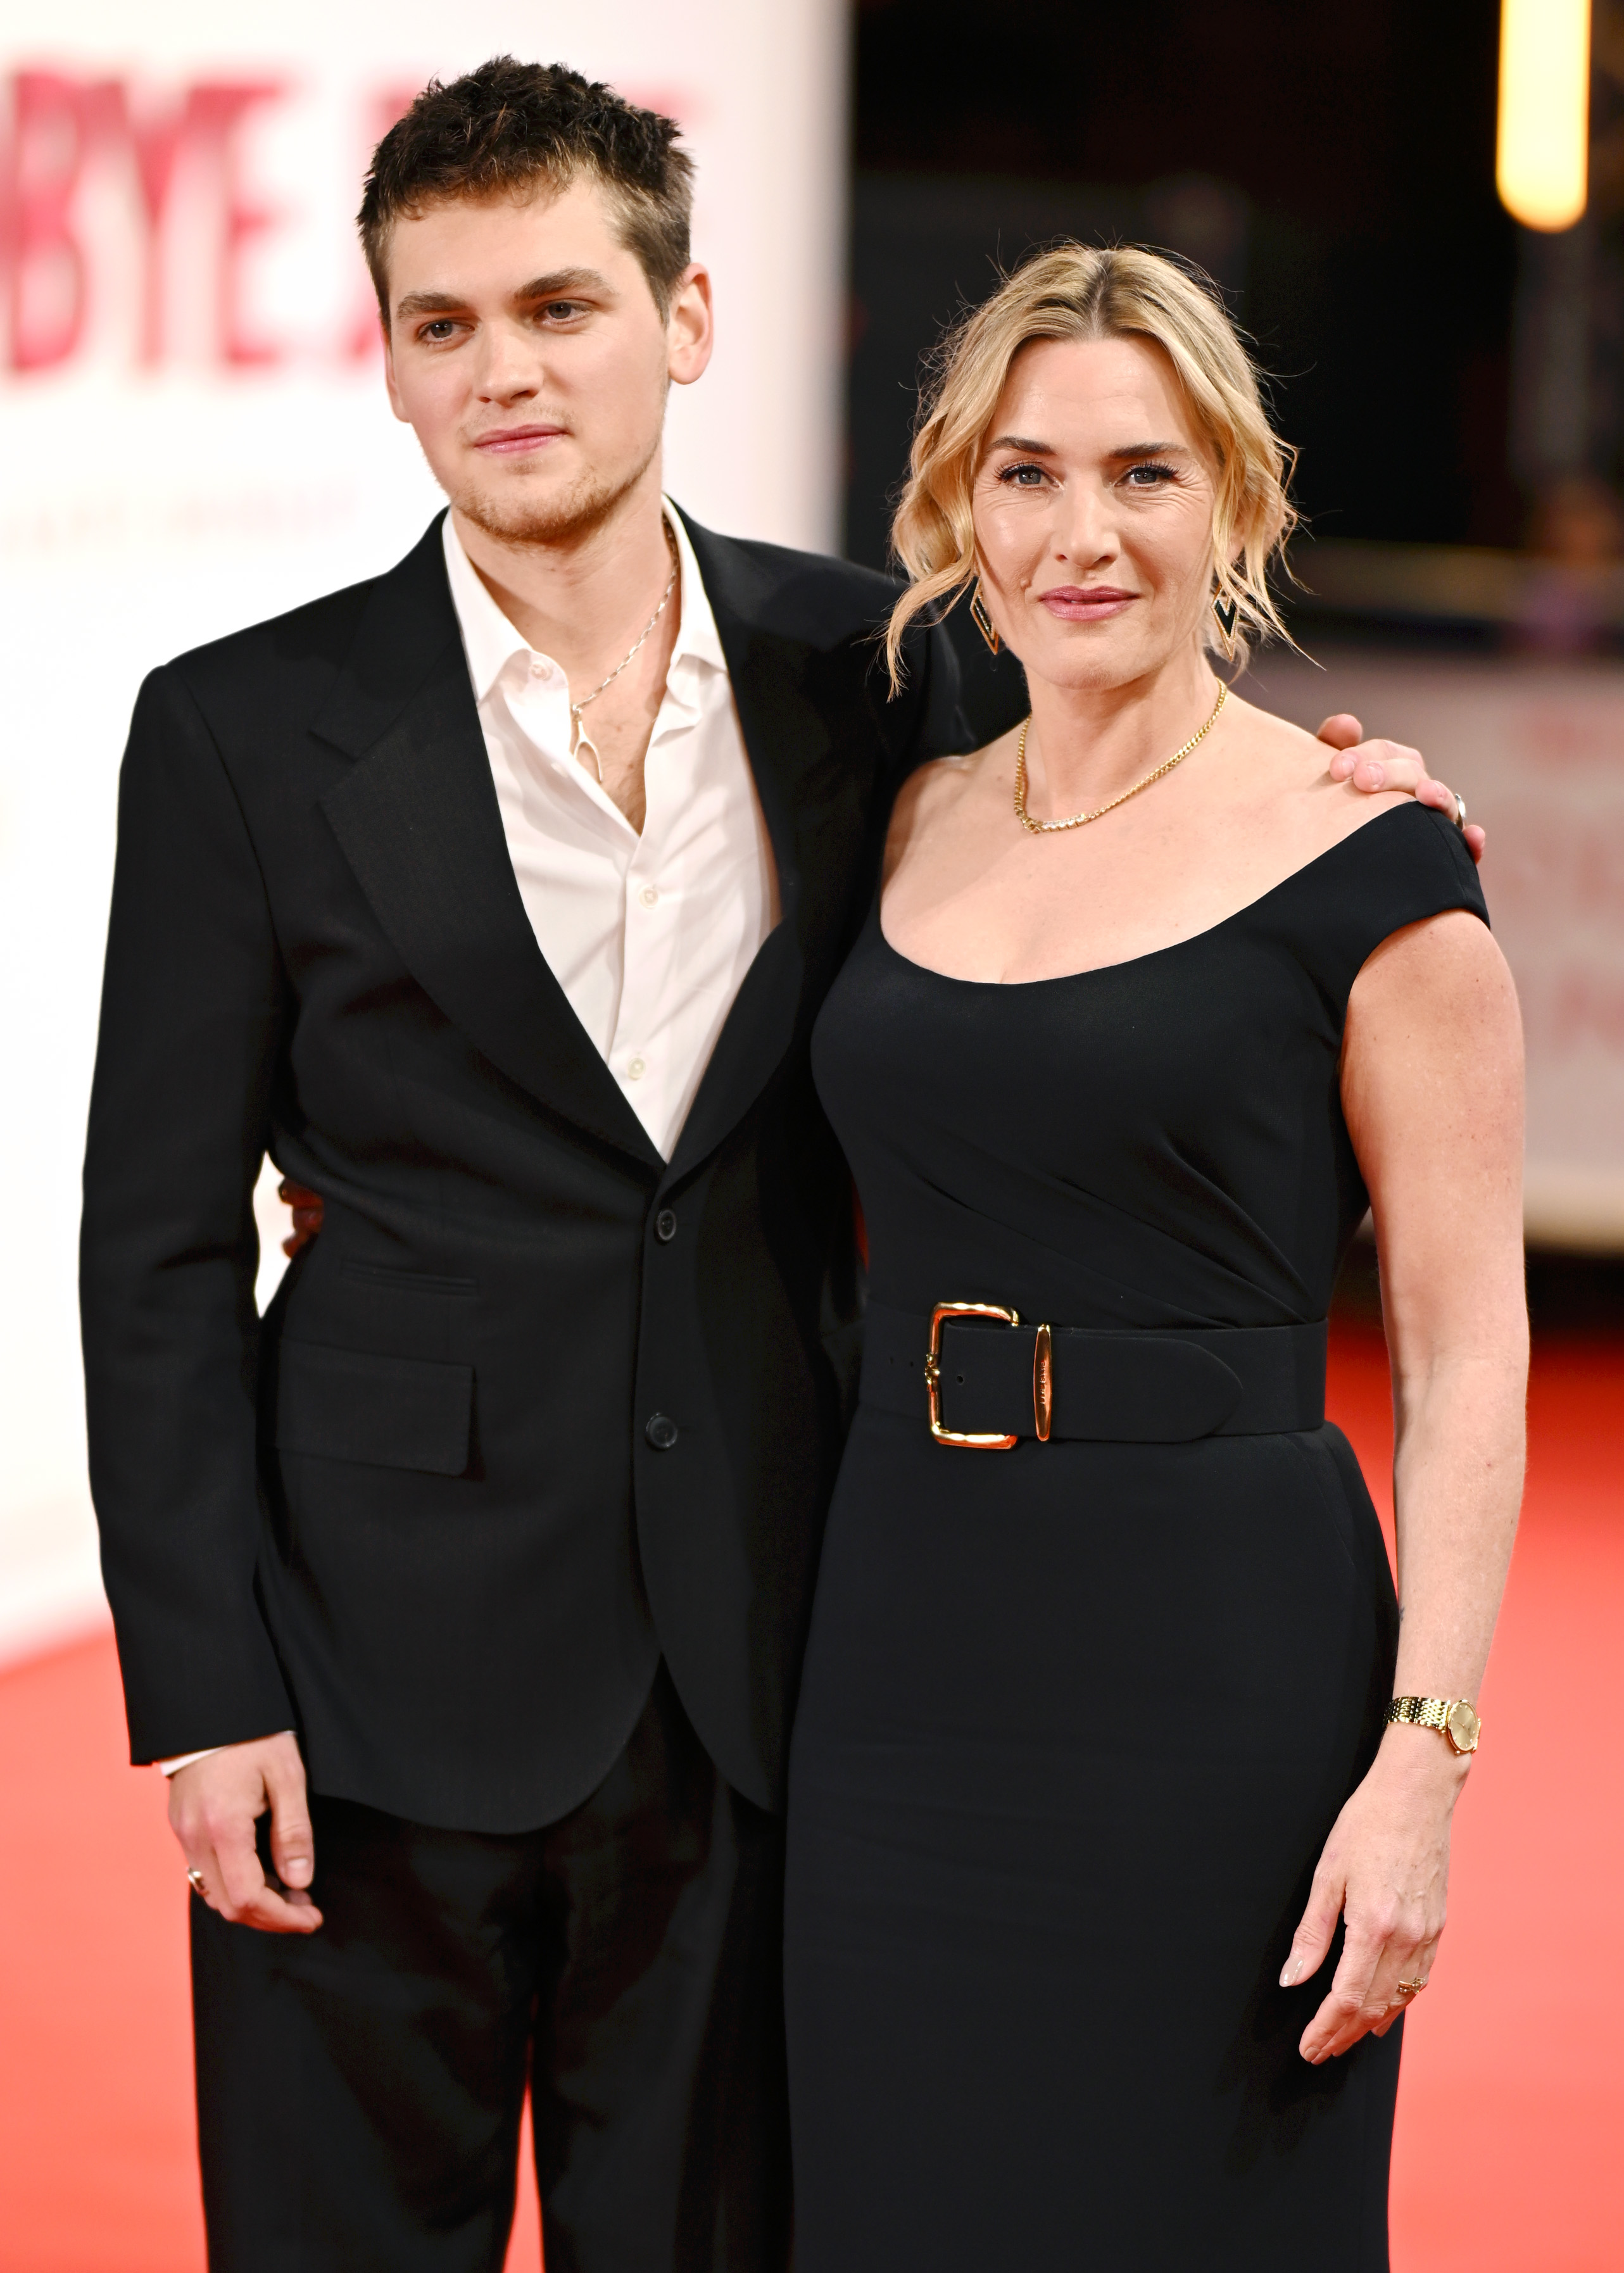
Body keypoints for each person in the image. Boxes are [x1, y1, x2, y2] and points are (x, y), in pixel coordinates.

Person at [79, 59, 1475, 2272]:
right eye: (440, 326)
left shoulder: (877, 670)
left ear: (688, 319)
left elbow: (1114, 806)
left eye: (558, 304)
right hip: (361, 1686)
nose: (505, 372)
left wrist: (1339, 786)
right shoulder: (241, 729)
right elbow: (147, 1247)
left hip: (772, 1673)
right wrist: (202, 1684)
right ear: (390, 363)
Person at [782, 244, 1526, 2272]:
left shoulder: (1375, 866)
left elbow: (1469, 1354)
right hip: (896, 1651)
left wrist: (1423, 1767)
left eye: (1145, 473)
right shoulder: (904, 812)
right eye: (1025, 475)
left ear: (1239, 505)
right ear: (954, 507)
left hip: (1218, 1681)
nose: (1080, 533)